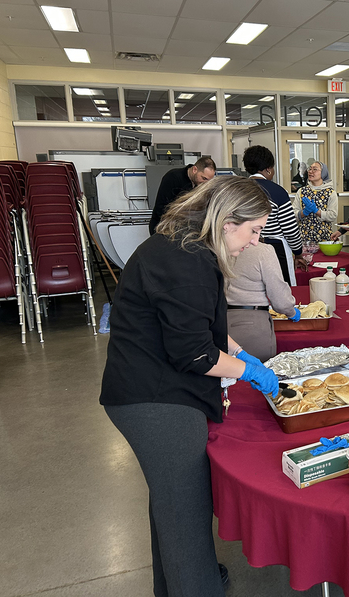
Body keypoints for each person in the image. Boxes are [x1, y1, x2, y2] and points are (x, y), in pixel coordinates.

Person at [100, 176, 280, 597]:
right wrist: (245, 371)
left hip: (146, 387)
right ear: (225, 222)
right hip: (155, 399)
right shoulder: (188, 260)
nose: (255, 242)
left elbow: (202, 326)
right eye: (253, 230)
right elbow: (195, 354)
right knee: (186, 513)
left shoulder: (185, 246)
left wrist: (241, 354)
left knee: (168, 502)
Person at [226, 241, 299, 362]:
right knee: (259, 375)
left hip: (223, 320)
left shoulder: (218, 246)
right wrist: (291, 311)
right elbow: (280, 298)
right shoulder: (262, 250)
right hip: (254, 326)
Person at [243, 145, 304, 285]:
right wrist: (298, 252)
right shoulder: (277, 192)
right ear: (268, 169)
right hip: (275, 249)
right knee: (280, 288)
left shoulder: (237, 189)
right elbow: (290, 229)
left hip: (244, 246)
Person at [149, 156, 216, 234]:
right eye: (204, 178)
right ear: (194, 170)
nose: (206, 183)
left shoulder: (201, 184)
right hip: (164, 227)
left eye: (209, 180)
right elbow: (161, 208)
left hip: (185, 229)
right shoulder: (173, 177)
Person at [294, 161, 338, 243]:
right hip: (304, 238)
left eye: (315, 169)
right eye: (310, 169)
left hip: (324, 238)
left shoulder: (331, 192)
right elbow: (293, 214)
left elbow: (333, 215)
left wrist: (317, 211)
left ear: (323, 173)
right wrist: (303, 213)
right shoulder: (301, 191)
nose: (311, 171)